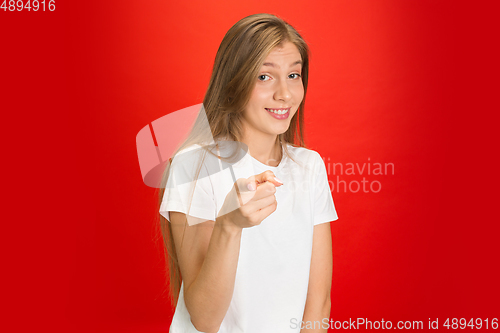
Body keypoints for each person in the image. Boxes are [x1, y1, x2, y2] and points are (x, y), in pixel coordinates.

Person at [158, 13, 338, 333]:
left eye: (294, 74)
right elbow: (204, 318)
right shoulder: (193, 167)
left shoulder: (309, 167)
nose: (285, 94)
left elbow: (318, 303)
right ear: (233, 82)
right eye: (264, 77)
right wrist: (230, 225)